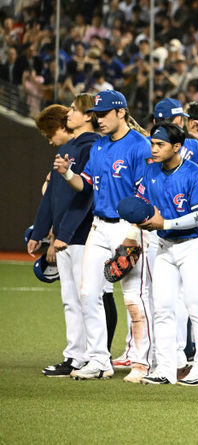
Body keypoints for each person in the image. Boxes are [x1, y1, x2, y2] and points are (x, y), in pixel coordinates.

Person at [53, 90, 153, 382]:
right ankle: (99, 360)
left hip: (128, 227)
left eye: (104, 114)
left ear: (121, 112)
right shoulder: (98, 148)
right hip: (99, 226)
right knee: (88, 293)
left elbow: (144, 193)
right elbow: (86, 185)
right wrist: (67, 173)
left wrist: (134, 233)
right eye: (96, 114)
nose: (99, 120)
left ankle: (141, 362)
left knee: (134, 298)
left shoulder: (139, 146)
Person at [130, 123, 198, 386]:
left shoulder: (194, 174)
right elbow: (143, 205)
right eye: (153, 143)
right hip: (165, 246)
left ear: (177, 147)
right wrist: (141, 220)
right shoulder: (150, 172)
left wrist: (163, 224)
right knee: (162, 307)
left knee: (196, 306)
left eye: (160, 144)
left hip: (195, 246)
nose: (153, 149)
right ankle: (165, 368)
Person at [29, 98, 100, 377]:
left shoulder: (92, 147)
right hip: (66, 237)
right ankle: (76, 356)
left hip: (82, 235)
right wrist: (39, 231)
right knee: (72, 299)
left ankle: (92, 357)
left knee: (87, 299)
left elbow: (85, 196)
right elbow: (53, 200)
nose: (49, 141)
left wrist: (65, 233)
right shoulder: (68, 149)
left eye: (73, 110)